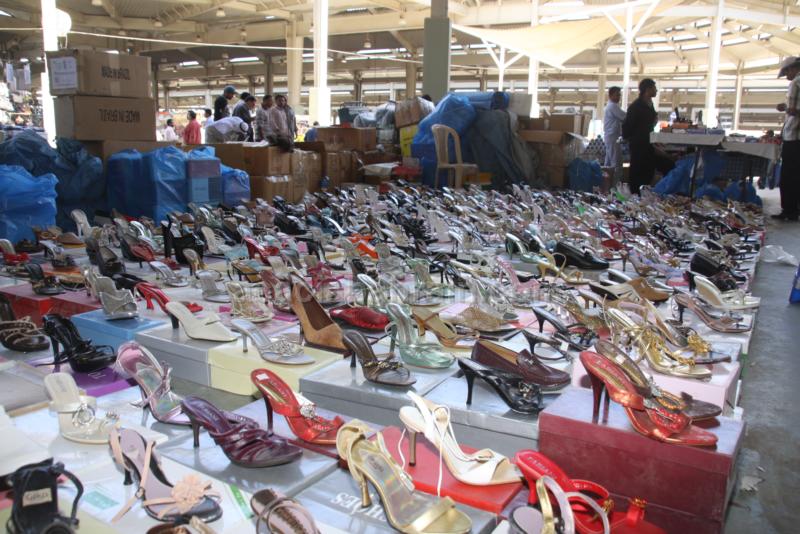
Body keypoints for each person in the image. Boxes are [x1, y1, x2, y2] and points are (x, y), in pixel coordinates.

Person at [622, 78, 674, 195]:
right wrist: (633, 139)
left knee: (649, 172)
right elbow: (627, 126)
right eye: (654, 88)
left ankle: (644, 195)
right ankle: (635, 197)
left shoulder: (650, 105)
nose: (656, 90)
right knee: (637, 173)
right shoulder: (636, 107)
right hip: (639, 145)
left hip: (648, 143)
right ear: (647, 89)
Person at [774, 56, 800, 221]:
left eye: (787, 72)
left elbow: (795, 110)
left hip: (795, 137)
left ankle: (789, 210)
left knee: (789, 176)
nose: (787, 76)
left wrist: (787, 109)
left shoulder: (796, 83)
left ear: (793, 68)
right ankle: (794, 208)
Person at [603, 86, 626, 181]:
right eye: (617, 95)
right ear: (610, 95)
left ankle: (606, 184)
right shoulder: (612, 106)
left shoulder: (611, 106)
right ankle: (615, 185)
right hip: (612, 137)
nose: (619, 97)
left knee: (608, 163)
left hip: (611, 137)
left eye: (619, 95)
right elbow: (625, 117)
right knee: (616, 163)